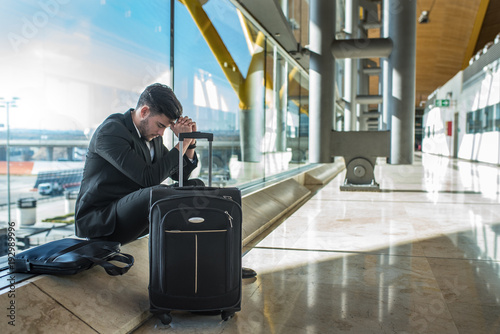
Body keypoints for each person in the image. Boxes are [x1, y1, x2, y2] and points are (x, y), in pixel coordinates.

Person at [75, 83, 256, 279]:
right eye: (160, 125)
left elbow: (179, 176)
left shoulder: (152, 137)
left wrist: (190, 143)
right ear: (144, 111)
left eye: (166, 128)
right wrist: (181, 143)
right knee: (159, 193)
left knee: (196, 187)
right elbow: (148, 179)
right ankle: (200, 267)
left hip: (133, 213)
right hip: (103, 220)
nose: (162, 133)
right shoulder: (111, 132)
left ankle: (219, 263)